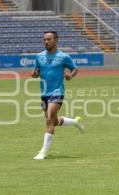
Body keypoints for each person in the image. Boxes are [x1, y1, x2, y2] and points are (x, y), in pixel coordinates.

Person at [31, 31, 84, 160]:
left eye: (49, 39)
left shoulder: (64, 57)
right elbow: (37, 71)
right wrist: (35, 74)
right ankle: (75, 122)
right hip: (44, 93)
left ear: (56, 40)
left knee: (49, 119)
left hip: (57, 92)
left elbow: (74, 69)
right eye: (44, 39)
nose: (46, 42)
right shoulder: (39, 56)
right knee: (53, 121)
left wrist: (70, 76)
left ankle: (43, 152)